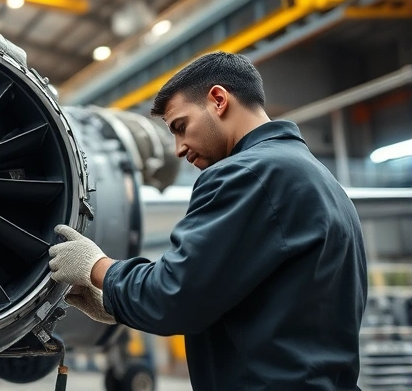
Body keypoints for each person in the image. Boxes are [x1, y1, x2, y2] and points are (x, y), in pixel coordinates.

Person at [48, 52, 368, 389]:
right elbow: (242, 300)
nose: (178, 149)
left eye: (181, 127)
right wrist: (117, 304)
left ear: (218, 100)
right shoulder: (318, 179)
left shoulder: (246, 174)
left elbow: (175, 294)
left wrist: (97, 267)